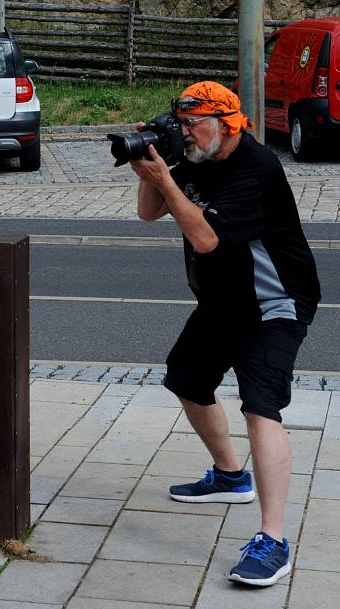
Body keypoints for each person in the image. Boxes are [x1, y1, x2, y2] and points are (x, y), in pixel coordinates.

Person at [129, 81, 321, 587]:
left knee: (260, 405)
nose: (186, 133)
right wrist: (151, 169)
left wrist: (167, 182)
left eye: (195, 124)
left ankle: (272, 540)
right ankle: (231, 477)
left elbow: (207, 237)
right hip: (222, 302)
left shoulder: (256, 168)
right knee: (188, 379)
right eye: (182, 123)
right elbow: (149, 213)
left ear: (228, 122)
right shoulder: (193, 157)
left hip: (273, 304)